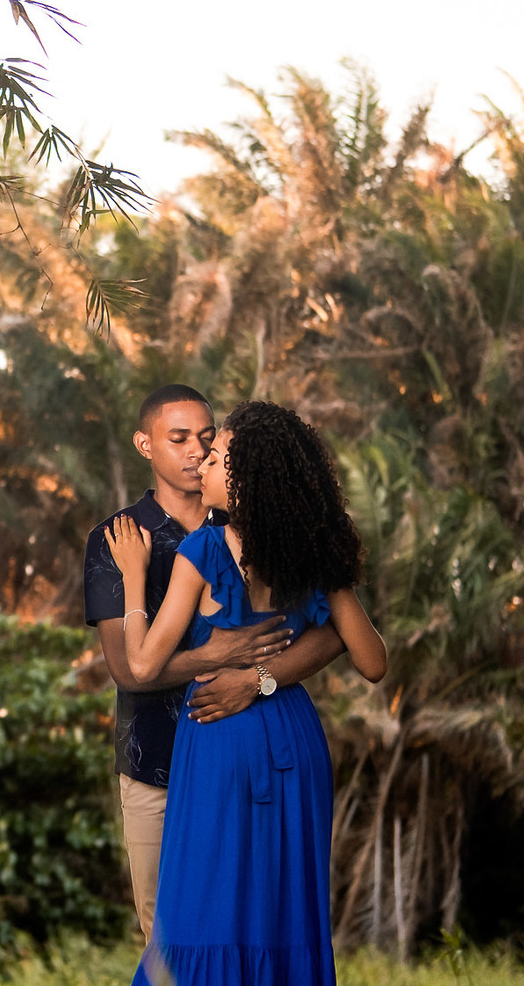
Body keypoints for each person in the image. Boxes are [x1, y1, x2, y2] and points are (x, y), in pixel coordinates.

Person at [99, 401, 387, 986]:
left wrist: (134, 580)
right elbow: (371, 659)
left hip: (220, 745)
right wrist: (280, 668)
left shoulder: (200, 551)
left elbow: (141, 664)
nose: (203, 463)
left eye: (219, 456)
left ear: (249, 478)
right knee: (285, 920)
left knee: (198, 917)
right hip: (291, 744)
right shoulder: (312, 558)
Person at [83, 384, 344, 944]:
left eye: (207, 439)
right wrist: (215, 655)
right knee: (168, 940)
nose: (196, 452)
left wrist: (256, 679)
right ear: (145, 444)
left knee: (254, 924)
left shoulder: (266, 522)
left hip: (243, 755)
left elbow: (334, 636)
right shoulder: (117, 541)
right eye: (178, 439)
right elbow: (131, 672)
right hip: (155, 760)